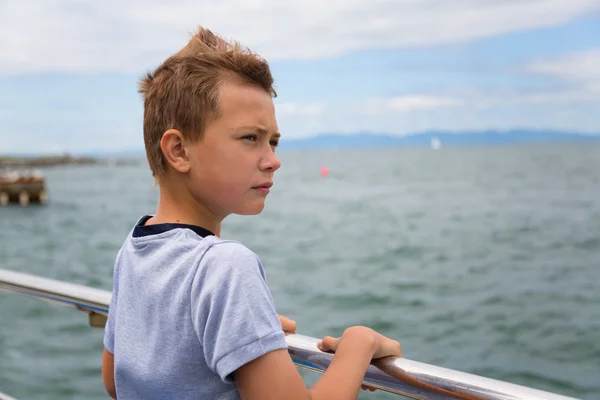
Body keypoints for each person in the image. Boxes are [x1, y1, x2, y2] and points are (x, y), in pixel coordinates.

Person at [101, 26, 402, 400]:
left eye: (273, 141)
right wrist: (359, 346)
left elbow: (116, 381)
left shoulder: (134, 250)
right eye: (250, 138)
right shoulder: (225, 266)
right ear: (178, 151)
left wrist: (241, 333)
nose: (273, 160)